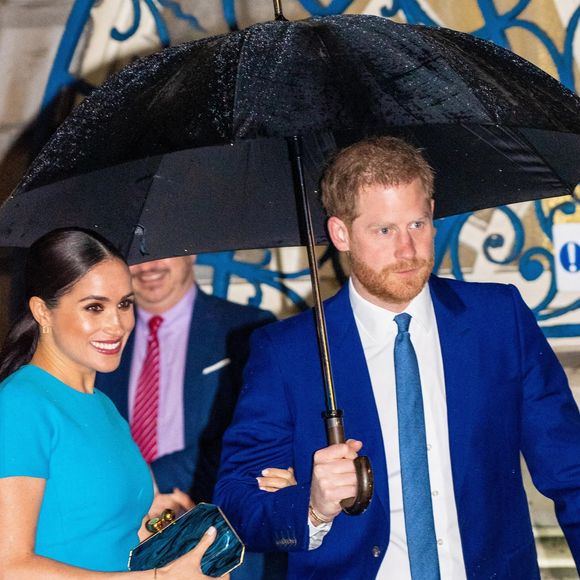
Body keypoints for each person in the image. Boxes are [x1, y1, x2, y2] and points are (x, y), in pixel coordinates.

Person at [214, 136, 580, 580]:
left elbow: (571, 470)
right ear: (340, 233)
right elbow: (237, 499)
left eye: (418, 225)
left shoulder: (499, 320)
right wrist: (311, 506)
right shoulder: (288, 351)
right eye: (384, 230)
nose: (407, 251)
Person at [0, 228, 226, 579]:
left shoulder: (103, 406)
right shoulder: (19, 404)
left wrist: (163, 530)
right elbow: (9, 566)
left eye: (124, 304)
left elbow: (106, 536)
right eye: (94, 307)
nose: (117, 324)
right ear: (42, 312)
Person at [95, 255, 279, 578]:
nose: (148, 266)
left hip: (221, 542)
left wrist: (149, 486)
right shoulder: (98, 342)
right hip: (120, 548)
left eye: (160, 254)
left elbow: (254, 439)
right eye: (135, 257)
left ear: (192, 251)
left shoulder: (250, 329)